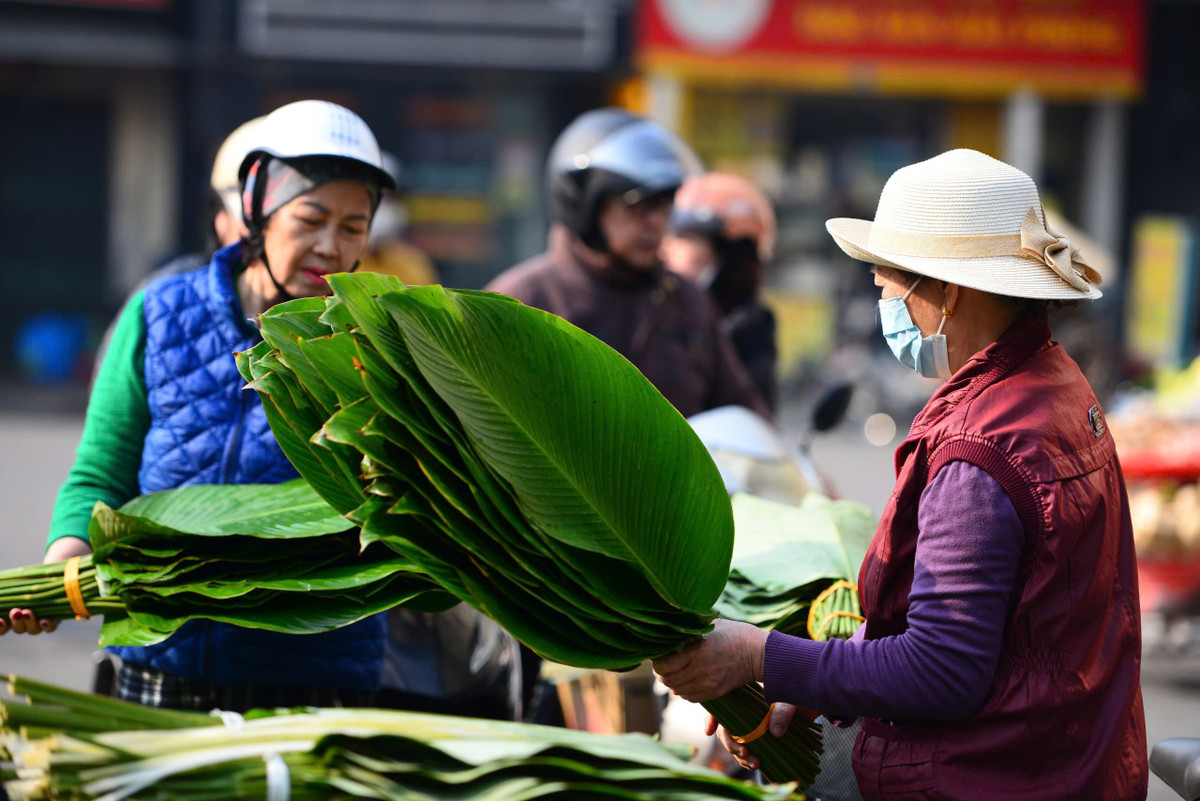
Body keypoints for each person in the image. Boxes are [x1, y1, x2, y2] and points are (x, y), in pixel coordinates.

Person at [653, 149, 1147, 800]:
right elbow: (987, 620)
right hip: (1071, 761)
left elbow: (941, 669)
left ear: (947, 291)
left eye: (888, 285)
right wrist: (809, 677)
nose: (883, 302)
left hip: (993, 776)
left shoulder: (981, 447)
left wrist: (757, 655)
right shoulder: (1053, 383)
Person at [3, 99, 397, 713]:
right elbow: (101, 473)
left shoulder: (380, 349)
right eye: (311, 218)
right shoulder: (159, 314)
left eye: (352, 227)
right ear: (257, 209)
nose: (329, 246)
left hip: (317, 681)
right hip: (161, 666)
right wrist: (62, 574)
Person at [485, 108, 769, 419]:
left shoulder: (688, 302)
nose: (656, 222)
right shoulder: (520, 302)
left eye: (663, 205)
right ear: (585, 204)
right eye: (638, 206)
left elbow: (742, 413)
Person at [661, 172, 779, 411]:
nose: (682, 251)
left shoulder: (752, 325)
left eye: (693, 239)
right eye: (680, 236)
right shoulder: (653, 310)